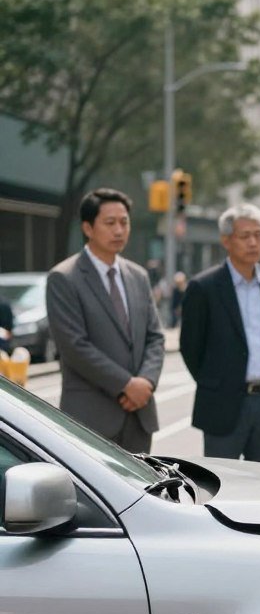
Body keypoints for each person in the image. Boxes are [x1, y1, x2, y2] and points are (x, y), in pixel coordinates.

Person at [45, 188, 165, 451]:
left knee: (142, 490)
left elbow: (155, 337)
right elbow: (74, 346)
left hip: (139, 415)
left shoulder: (138, 276)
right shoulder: (64, 278)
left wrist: (145, 383)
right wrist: (125, 385)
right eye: (110, 223)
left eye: (124, 222)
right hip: (91, 419)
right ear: (88, 228)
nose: (119, 230)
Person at [180, 203, 260, 462]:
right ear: (226, 241)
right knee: (222, 485)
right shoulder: (203, 287)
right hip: (223, 404)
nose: (253, 242)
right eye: (245, 236)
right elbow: (190, 347)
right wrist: (217, 382)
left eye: (258, 234)